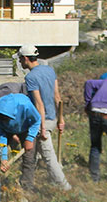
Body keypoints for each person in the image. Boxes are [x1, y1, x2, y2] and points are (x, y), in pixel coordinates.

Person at [18, 44, 71, 191]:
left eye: (21, 59)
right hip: (52, 119)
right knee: (38, 154)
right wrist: (61, 119)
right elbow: (57, 97)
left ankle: (65, 187)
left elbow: (39, 104)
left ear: (26, 58)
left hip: (43, 122)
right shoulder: (49, 70)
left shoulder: (31, 77)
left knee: (49, 157)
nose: (20, 62)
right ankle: (37, 183)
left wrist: (41, 128)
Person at [0, 92, 40, 172]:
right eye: (2, 118)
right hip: (7, 130)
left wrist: (30, 138)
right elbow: (1, 135)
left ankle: (27, 184)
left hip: (26, 128)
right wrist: (4, 158)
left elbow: (36, 120)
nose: (3, 120)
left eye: (6, 118)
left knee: (28, 158)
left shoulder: (25, 105)